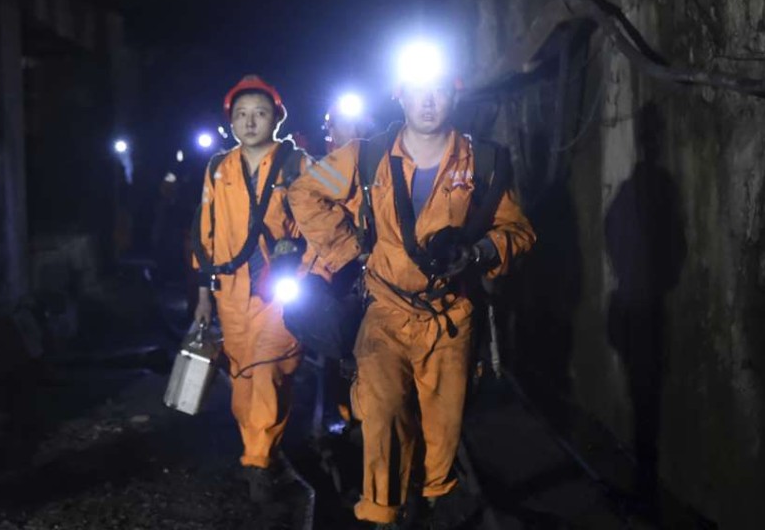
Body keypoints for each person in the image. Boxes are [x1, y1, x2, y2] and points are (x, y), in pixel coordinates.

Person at [288, 48, 536, 528]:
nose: (429, 102)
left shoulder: (481, 162)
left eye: (439, 90)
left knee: (442, 432)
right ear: (400, 94)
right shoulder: (368, 155)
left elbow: (519, 231)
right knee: (382, 418)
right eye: (418, 91)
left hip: (449, 317)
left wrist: (480, 252)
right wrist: (352, 250)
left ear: (453, 94)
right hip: (385, 311)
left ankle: (431, 500)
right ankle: (383, 516)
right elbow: (304, 192)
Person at [192, 74, 319, 503]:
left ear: (277, 119)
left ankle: (257, 461)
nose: (250, 122)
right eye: (241, 114)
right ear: (230, 121)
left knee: (267, 368)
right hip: (230, 290)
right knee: (243, 377)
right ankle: (258, 449)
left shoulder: (296, 165)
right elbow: (204, 235)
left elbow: (322, 220)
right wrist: (203, 295)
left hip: (280, 289)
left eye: (260, 113)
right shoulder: (217, 168)